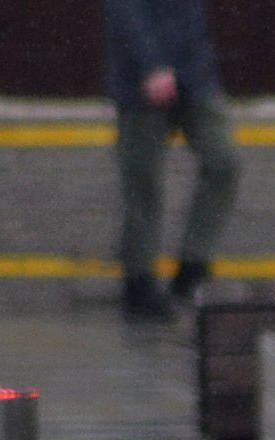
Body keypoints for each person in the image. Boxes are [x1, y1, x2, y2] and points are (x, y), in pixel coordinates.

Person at [105, 0, 241, 318]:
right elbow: (125, 11)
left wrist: (198, 63)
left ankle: (193, 266)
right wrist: (150, 65)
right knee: (141, 179)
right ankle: (139, 280)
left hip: (195, 75)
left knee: (224, 162)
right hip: (140, 81)